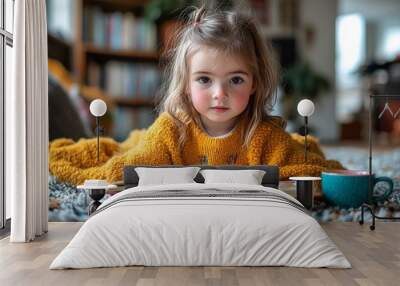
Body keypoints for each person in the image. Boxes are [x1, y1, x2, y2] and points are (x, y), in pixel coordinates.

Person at [49, 6, 342, 185]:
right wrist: (98, 180)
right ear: (186, 84)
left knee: (303, 149)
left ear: (254, 83)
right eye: (204, 79)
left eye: (236, 80)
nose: (220, 94)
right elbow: (123, 170)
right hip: (153, 139)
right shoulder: (171, 129)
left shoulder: (263, 134)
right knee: (125, 147)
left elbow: (309, 172)